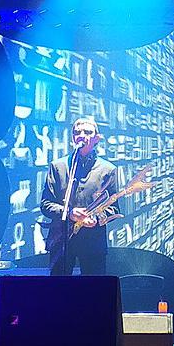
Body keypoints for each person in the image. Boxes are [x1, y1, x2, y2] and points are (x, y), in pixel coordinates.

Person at [41, 117, 119, 276]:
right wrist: (69, 213)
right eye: (77, 132)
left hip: (93, 240)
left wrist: (96, 218)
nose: (82, 135)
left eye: (88, 132)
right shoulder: (58, 166)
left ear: (97, 138)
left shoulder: (108, 169)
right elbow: (46, 204)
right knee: (58, 287)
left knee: (93, 288)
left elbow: (113, 208)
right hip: (61, 239)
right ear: (72, 138)